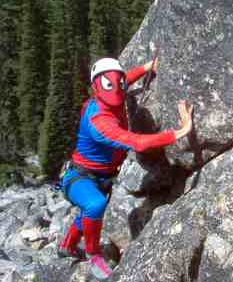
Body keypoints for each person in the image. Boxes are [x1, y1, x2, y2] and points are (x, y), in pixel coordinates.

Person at [57, 57, 193, 280]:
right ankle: (93, 254)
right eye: (110, 84)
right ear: (95, 88)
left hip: (96, 178)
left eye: (119, 82)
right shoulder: (98, 120)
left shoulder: (108, 97)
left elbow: (121, 81)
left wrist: (148, 67)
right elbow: (137, 142)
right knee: (94, 204)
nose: (118, 87)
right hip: (80, 177)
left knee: (89, 211)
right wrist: (180, 131)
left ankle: (66, 246)